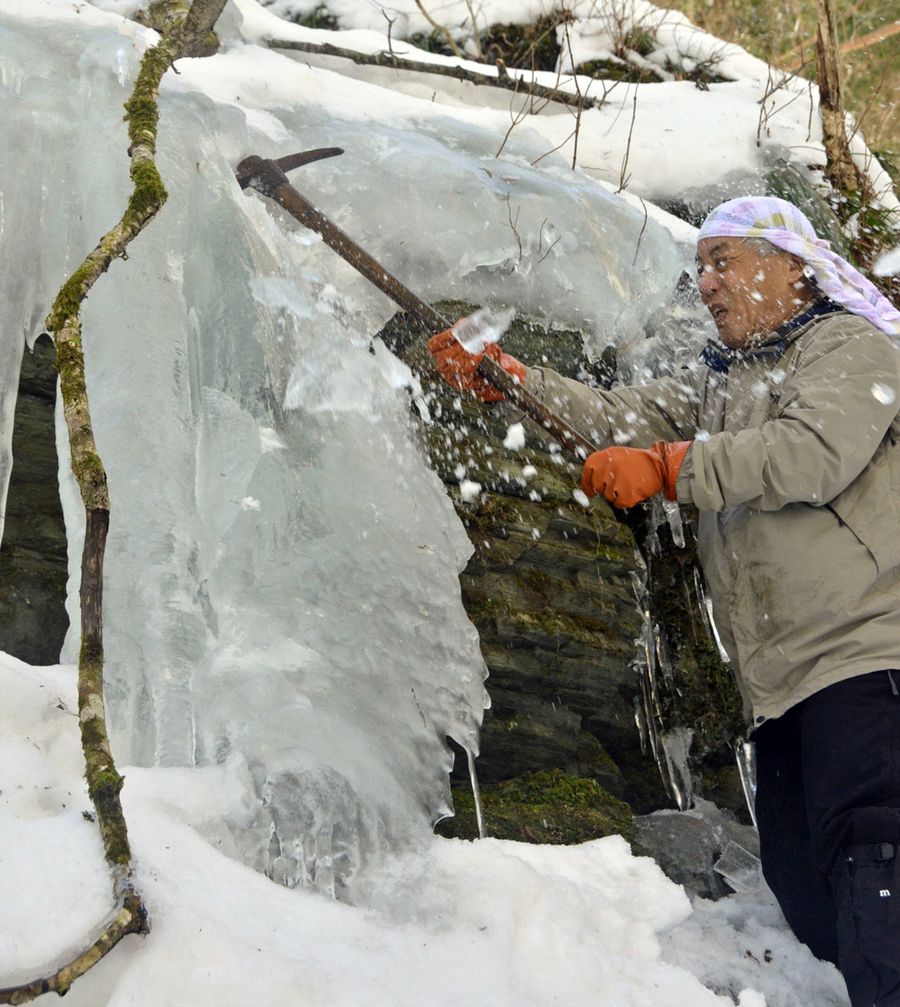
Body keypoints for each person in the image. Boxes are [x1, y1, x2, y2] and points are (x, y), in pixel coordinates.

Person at [428, 196, 900, 1007]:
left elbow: (810, 452)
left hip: (871, 653)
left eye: (726, 262)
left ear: (792, 264)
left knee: (875, 849)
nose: (708, 284)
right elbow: (619, 418)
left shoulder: (854, 348)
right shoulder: (722, 384)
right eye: (701, 268)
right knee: (803, 882)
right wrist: (513, 378)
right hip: (781, 681)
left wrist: (674, 468)